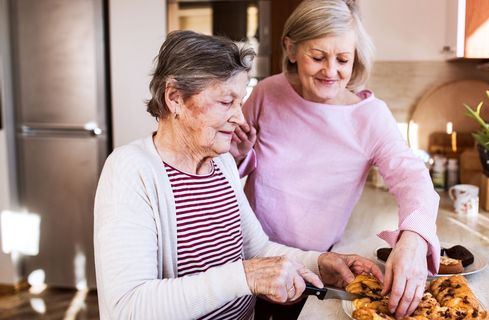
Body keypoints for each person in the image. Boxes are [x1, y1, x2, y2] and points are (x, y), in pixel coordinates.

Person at [93, 30, 382, 320]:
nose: (240, 117)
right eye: (225, 102)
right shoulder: (131, 172)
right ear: (175, 97)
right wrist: (245, 276)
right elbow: (129, 308)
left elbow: (257, 249)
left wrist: (320, 263)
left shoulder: (222, 164)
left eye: (239, 101)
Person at [230, 0, 441, 319]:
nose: (331, 71)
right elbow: (225, 171)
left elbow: (411, 177)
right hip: (250, 257)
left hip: (314, 268)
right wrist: (240, 153)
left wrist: (414, 238)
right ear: (291, 49)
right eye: (318, 57)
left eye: (343, 59)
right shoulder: (266, 93)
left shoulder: (369, 117)